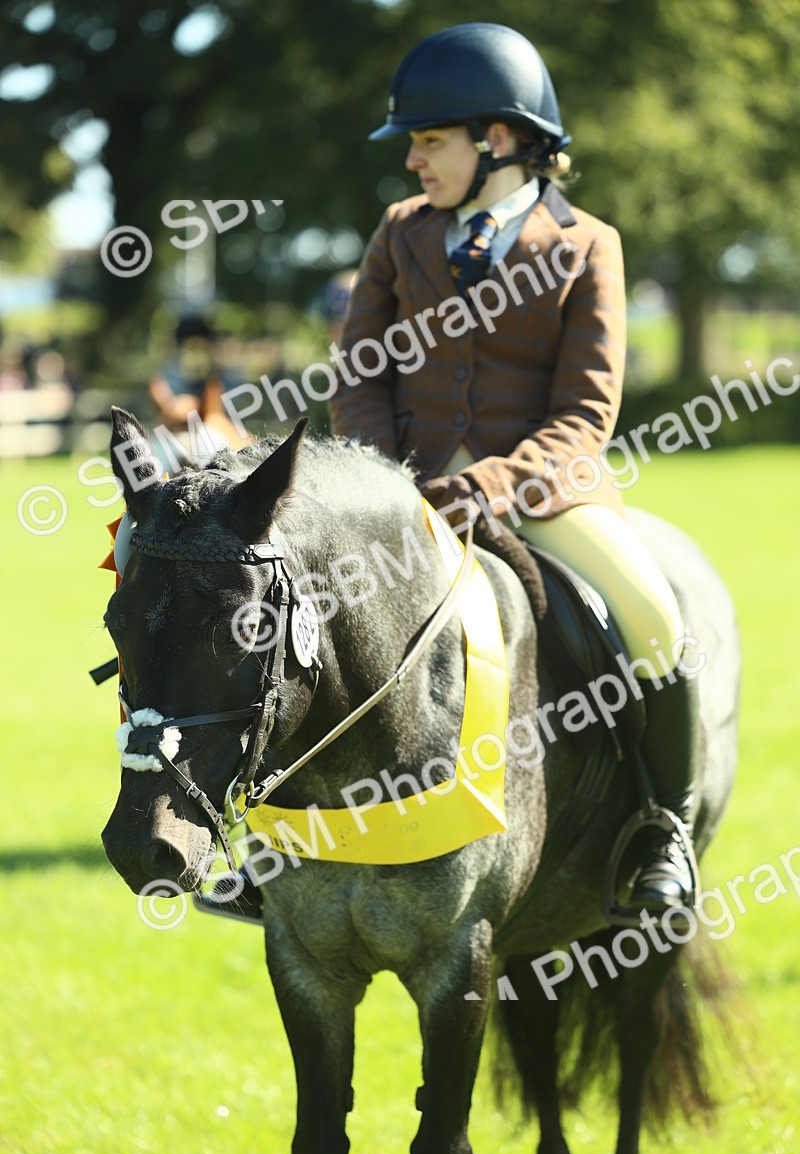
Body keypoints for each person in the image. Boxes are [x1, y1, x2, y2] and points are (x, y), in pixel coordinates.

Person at [328, 22, 699, 917]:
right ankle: (277, 841)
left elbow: (583, 417)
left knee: (653, 617)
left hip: (538, 492)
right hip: (403, 493)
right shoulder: (400, 233)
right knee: (304, 610)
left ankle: (665, 831)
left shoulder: (586, 245)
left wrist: (486, 487)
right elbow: (359, 373)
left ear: (495, 139)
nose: (413, 163)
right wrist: (389, 483)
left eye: (428, 141)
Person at [148, 314, 250, 458]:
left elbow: (213, 416)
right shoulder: (163, 380)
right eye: (192, 348)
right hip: (173, 439)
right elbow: (169, 415)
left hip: (205, 435)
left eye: (202, 348)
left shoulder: (212, 380)